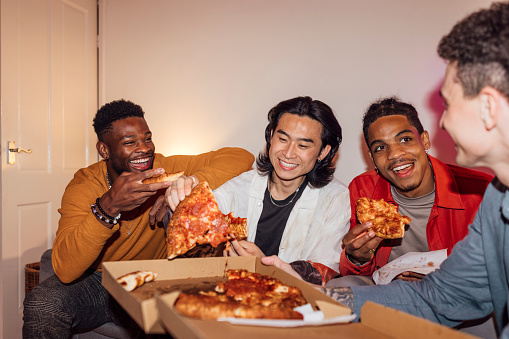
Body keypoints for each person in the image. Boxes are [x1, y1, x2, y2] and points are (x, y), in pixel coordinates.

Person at [263, 2, 509, 337]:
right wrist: (313, 296)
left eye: (448, 104)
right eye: (379, 147)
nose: (444, 121)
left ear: (490, 108)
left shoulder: (483, 192)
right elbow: (446, 296)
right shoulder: (498, 201)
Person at [22, 99, 254, 337]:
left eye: (147, 138)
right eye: (129, 142)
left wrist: (188, 184)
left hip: (155, 278)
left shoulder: (164, 169)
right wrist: (107, 208)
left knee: (193, 317)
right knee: (42, 303)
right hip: (101, 282)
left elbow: (241, 156)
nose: (144, 148)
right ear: (104, 150)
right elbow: (65, 270)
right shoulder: (84, 186)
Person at [330, 97, 492, 286]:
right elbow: (356, 271)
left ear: (424, 140)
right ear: (372, 158)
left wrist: (444, 278)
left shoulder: (480, 191)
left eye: (405, 139)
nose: (395, 154)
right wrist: (357, 258)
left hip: (460, 290)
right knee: (339, 286)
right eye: (381, 148)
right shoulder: (363, 190)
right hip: (391, 291)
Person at [212, 96, 350, 285]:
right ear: (270, 136)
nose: (288, 153)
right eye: (283, 139)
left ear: (323, 152)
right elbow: (203, 213)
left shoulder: (335, 198)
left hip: (295, 302)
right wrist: (179, 197)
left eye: (302, 145)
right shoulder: (244, 184)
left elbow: (324, 269)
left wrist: (264, 267)